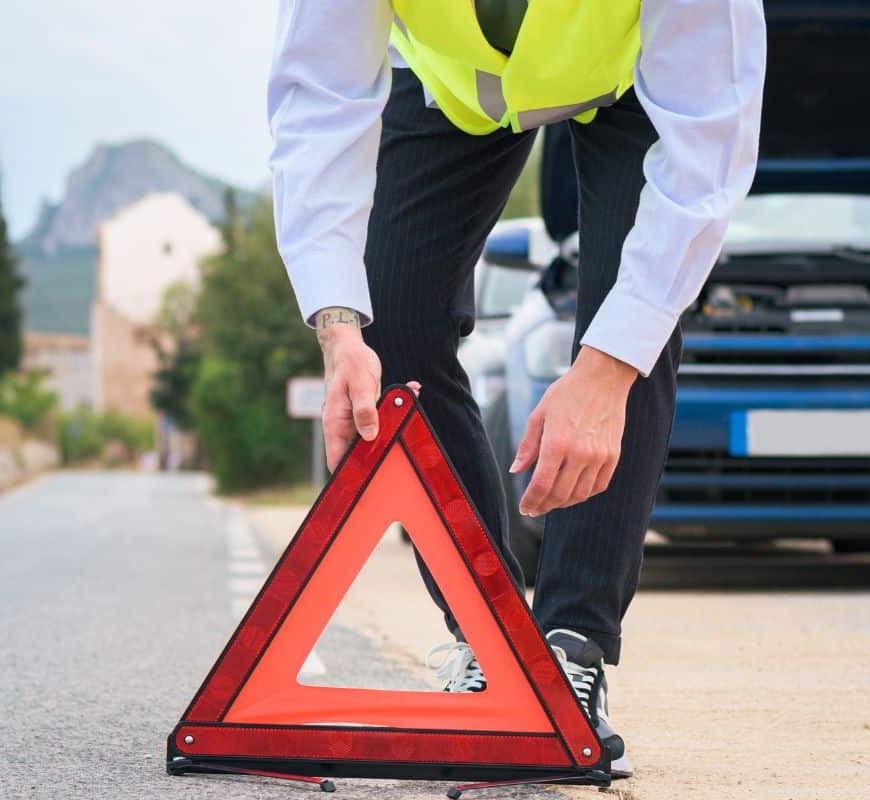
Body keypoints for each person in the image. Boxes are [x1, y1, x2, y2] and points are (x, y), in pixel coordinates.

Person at [267, 0, 766, 772]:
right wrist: (338, 330)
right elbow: (319, 98)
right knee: (389, 325)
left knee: (633, 316)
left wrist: (605, 373)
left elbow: (707, 149)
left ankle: (571, 647)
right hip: (450, 88)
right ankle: (490, 637)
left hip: (634, 80)